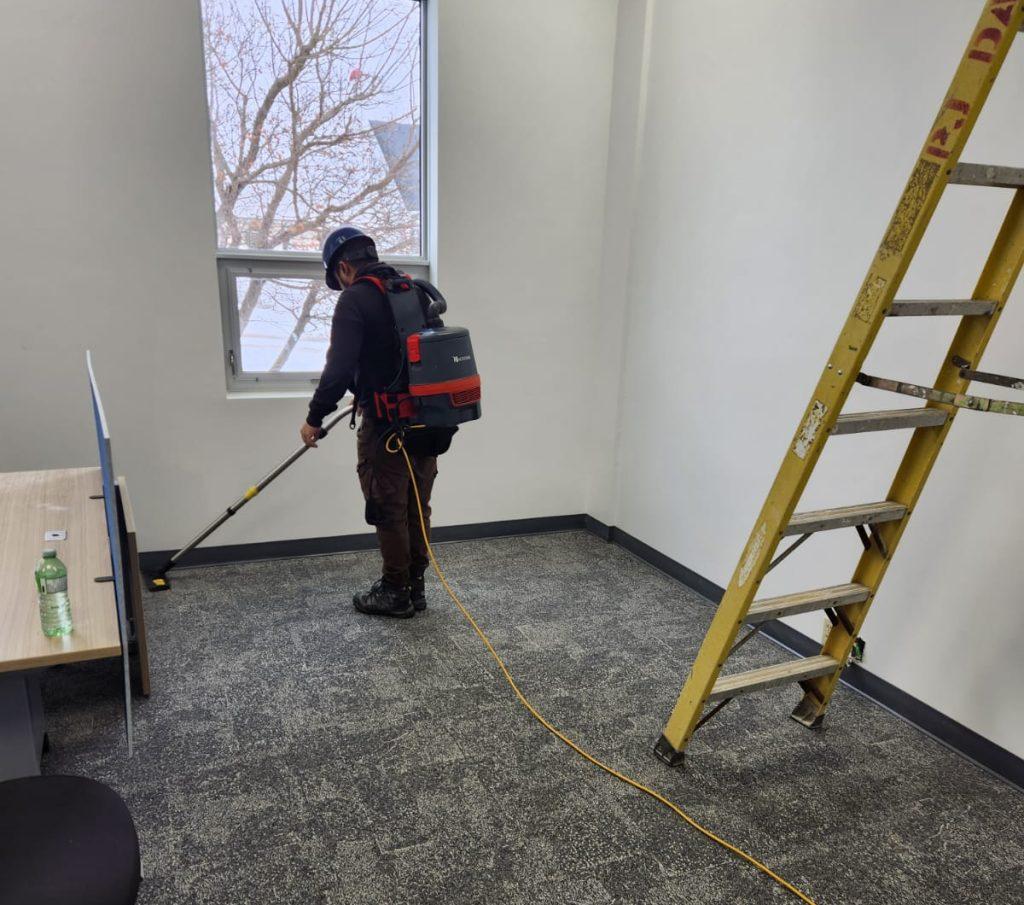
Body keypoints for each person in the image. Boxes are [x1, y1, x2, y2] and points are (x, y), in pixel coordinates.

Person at [300, 226, 439, 619]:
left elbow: (338, 367)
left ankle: (395, 591)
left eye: (338, 277)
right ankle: (416, 585)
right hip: (428, 422)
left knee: (387, 506)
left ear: (344, 267)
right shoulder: (413, 290)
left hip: (386, 429)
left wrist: (314, 418)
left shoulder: (355, 298)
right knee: (417, 505)